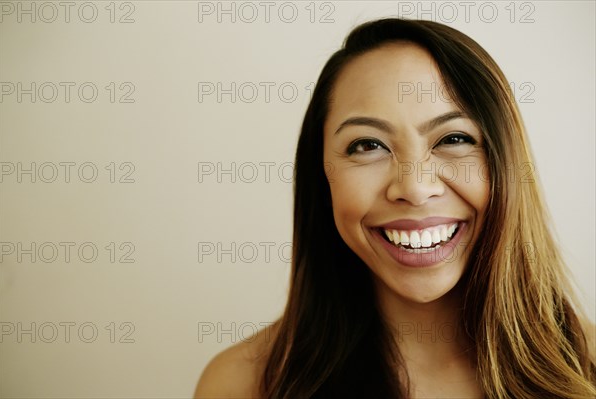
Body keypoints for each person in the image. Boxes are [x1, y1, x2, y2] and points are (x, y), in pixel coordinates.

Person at [194, 18, 596, 398]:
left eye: (453, 138)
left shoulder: (588, 366)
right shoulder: (241, 383)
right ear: (323, 177)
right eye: (368, 145)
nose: (415, 188)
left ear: (504, 162)